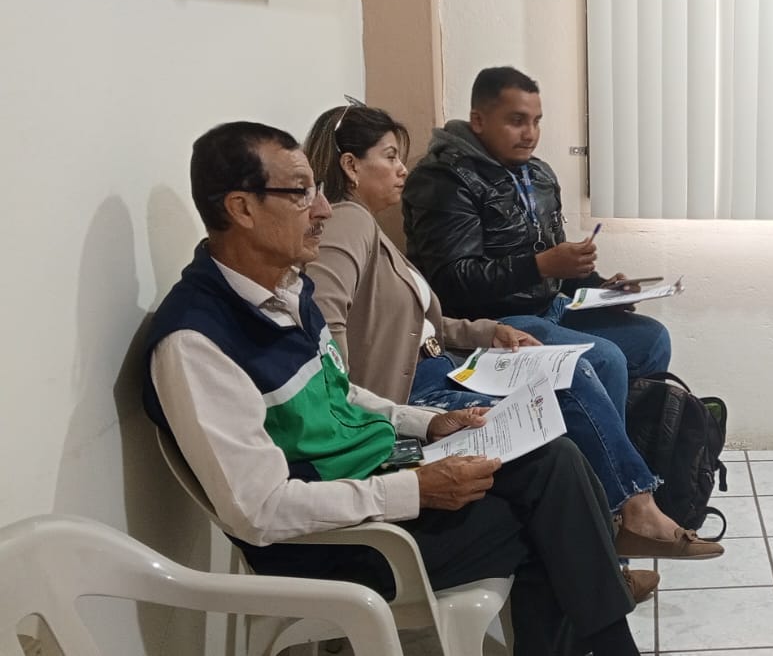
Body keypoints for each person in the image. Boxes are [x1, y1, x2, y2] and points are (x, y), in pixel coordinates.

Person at [143, 121, 645, 656]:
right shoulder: (197, 343)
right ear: (242, 208)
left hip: (378, 475)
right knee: (554, 524)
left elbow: (341, 392)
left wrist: (426, 423)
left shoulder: (286, 290)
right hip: (335, 542)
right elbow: (260, 511)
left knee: (554, 460)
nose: (323, 210)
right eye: (301, 193)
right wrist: (415, 490)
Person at [301, 102, 720, 561]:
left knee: (619, 351)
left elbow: (424, 323)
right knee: (578, 373)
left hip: (451, 359)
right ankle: (630, 518)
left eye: (536, 122)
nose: (401, 169)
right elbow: (327, 327)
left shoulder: (531, 178)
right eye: (389, 157)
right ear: (350, 166)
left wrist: (491, 332)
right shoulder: (354, 219)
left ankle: (621, 525)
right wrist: (354, 404)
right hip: (414, 389)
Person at [403, 66, 670, 417]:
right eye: (517, 121)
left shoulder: (539, 174)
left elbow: (557, 265)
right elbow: (451, 282)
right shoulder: (445, 180)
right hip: (494, 324)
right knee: (605, 360)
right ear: (479, 121)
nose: (530, 134)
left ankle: (629, 439)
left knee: (652, 340)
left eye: (536, 121)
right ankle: (608, 453)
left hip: (549, 310)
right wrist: (541, 266)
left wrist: (602, 290)